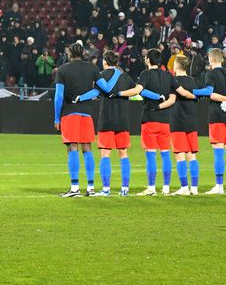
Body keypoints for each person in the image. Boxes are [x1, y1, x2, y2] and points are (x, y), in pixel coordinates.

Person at [53, 41, 102, 197]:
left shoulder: (62, 70)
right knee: (87, 148)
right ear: (83, 54)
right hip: (87, 113)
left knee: (72, 148)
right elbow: (101, 89)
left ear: (69, 54)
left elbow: (58, 96)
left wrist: (56, 118)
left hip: (69, 113)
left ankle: (75, 188)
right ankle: (91, 188)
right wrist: (85, 97)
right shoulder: (93, 69)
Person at [96, 50, 143, 196]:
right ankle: (125, 189)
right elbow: (136, 90)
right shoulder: (124, 76)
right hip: (122, 119)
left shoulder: (101, 76)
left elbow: (95, 93)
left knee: (105, 154)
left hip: (107, 119)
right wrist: (123, 94)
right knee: (123, 154)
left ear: (104, 62)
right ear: (116, 63)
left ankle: (106, 189)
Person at [169, 53, 211, 195]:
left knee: (180, 155)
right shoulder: (195, 82)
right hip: (192, 122)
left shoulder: (172, 81)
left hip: (177, 121)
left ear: (176, 65)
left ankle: (184, 188)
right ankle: (194, 188)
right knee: (192, 155)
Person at [135, 48, 175, 196]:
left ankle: (151, 188)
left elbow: (138, 90)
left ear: (148, 60)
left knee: (151, 154)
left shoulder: (145, 74)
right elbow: (175, 94)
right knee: (165, 154)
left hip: (149, 119)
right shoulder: (168, 76)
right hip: (165, 120)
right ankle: (166, 188)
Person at [200, 48, 226, 194]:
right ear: (222, 59)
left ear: (210, 59)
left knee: (218, 151)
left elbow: (210, 93)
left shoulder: (210, 74)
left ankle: (219, 186)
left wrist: (225, 98)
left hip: (217, 115)